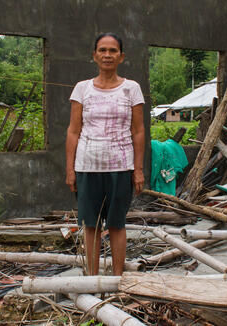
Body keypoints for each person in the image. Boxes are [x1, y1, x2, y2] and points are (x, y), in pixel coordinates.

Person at [65, 32, 145, 276]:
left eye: (112, 51)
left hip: (121, 167)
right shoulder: (82, 89)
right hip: (87, 166)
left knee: (117, 225)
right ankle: (92, 279)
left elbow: (139, 131)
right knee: (91, 225)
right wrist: (70, 169)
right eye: (102, 50)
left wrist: (138, 169)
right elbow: (73, 131)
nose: (107, 55)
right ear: (94, 55)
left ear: (121, 57)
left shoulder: (131, 88)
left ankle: (117, 281)